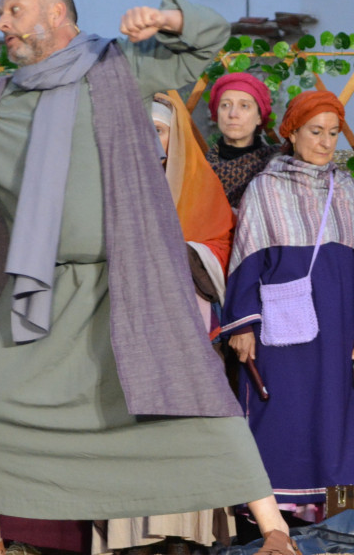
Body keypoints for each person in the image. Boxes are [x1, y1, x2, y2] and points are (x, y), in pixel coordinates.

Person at [0, 0, 299, 555]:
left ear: (57, 15)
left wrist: (170, 21)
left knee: (192, 394)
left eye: (13, 10)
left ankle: (273, 528)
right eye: (0, 12)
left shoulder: (118, 70)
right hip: (42, 289)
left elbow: (208, 40)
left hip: (131, 283)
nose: (1, 22)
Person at [92, 92, 238, 555]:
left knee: (183, 442)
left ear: (173, 136)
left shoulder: (200, 185)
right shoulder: (109, 184)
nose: (148, 141)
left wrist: (181, 251)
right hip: (122, 336)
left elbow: (220, 247)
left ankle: (183, 538)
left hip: (185, 339)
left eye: (156, 131)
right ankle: (131, 539)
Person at [223, 90, 354, 517]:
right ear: (292, 133)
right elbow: (245, 258)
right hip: (280, 332)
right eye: (315, 132)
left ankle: (337, 519)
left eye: (334, 133)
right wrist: (242, 325)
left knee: (337, 420)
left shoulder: (348, 189)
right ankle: (271, 524)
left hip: (337, 329)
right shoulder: (265, 188)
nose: (326, 142)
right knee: (278, 414)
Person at [205, 72, 282, 209]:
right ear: (216, 114)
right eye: (225, 105)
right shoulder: (199, 168)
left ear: (259, 117)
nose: (233, 114)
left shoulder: (276, 165)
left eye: (244, 106)